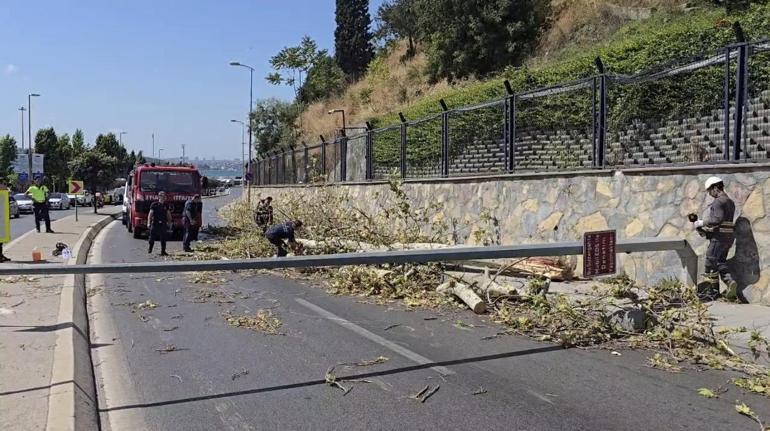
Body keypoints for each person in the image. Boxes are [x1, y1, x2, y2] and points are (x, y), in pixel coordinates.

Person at [691, 176, 737, 301]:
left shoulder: (718, 202)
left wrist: (701, 223)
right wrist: (705, 232)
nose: (710, 194)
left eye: (710, 191)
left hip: (719, 238)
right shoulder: (730, 202)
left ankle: (711, 292)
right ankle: (729, 281)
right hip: (728, 238)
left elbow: (716, 219)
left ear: (715, 188)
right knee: (720, 262)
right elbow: (724, 224)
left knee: (710, 263)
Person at [147, 191, 173, 256]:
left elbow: (168, 214)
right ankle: (150, 248)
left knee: (163, 238)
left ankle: (163, 251)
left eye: (164, 196)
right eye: (161, 196)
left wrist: (170, 223)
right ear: (159, 196)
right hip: (155, 223)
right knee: (152, 238)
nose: (163, 197)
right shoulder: (154, 204)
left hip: (163, 223)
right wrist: (148, 223)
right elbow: (150, 214)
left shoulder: (166, 205)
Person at [0, 182, 11, 262]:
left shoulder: (3, 194)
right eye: (4, 184)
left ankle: (1, 255)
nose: (6, 186)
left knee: (1, 240)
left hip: (2, 220)